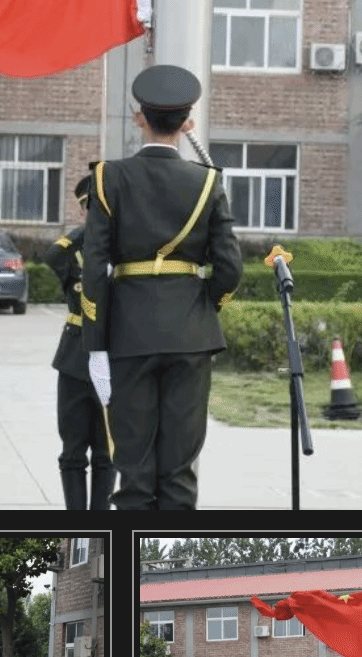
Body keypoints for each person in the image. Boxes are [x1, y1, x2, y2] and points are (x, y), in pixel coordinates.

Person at [81, 64, 243, 509]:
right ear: (187, 122)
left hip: (128, 334)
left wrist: (95, 345)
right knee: (179, 472)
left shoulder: (108, 177)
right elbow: (229, 267)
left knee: (133, 472)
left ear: (140, 118)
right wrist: (200, 307)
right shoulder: (207, 181)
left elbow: (94, 269)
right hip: (191, 336)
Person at [44, 172, 116, 511]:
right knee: (72, 451)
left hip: (113, 359)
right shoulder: (75, 256)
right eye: (91, 208)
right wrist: (90, 229)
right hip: (74, 359)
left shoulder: (126, 248)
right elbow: (52, 255)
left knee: (106, 452)